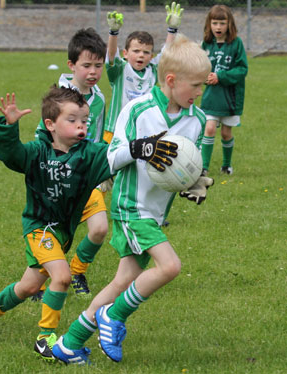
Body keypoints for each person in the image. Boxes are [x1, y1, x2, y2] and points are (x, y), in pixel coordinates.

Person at [0, 86, 175, 362]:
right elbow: (10, 153)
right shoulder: (36, 153)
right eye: (72, 120)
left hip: (61, 233)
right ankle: (46, 338)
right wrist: (7, 127)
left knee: (28, 286)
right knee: (62, 277)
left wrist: (139, 147)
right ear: (50, 124)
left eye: (85, 121)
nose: (81, 126)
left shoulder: (89, 155)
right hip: (38, 228)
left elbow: (115, 156)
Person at [51, 34, 214, 365]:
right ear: (171, 80)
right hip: (129, 208)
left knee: (123, 281)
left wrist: (194, 182)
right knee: (169, 266)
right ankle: (115, 315)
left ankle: (69, 344)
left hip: (154, 213)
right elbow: (109, 159)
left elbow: (181, 169)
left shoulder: (195, 121)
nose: (200, 92)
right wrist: (140, 148)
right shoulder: (138, 110)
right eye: (195, 85)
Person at [34, 28, 108, 298]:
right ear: (72, 65)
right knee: (55, 237)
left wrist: (101, 171)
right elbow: (41, 133)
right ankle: (38, 284)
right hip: (57, 177)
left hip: (86, 176)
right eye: (86, 65)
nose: (93, 71)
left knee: (100, 228)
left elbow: (97, 137)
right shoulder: (59, 96)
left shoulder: (98, 99)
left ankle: (77, 271)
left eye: (98, 66)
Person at [103, 2, 184, 144]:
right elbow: (110, 55)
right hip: (115, 129)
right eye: (136, 51)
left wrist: (172, 29)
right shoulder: (120, 69)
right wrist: (113, 33)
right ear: (125, 53)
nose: (141, 55)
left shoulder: (152, 70)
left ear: (151, 56)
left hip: (143, 129)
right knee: (112, 165)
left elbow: (167, 53)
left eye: (146, 52)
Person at [200, 4, 248, 176]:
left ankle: (226, 165)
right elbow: (199, 66)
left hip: (230, 99)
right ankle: (203, 167)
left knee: (226, 134)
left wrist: (220, 76)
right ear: (209, 24)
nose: (218, 27)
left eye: (222, 23)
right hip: (211, 97)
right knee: (210, 128)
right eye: (214, 23)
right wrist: (203, 76)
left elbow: (242, 70)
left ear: (230, 24)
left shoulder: (236, 44)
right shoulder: (205, 44)